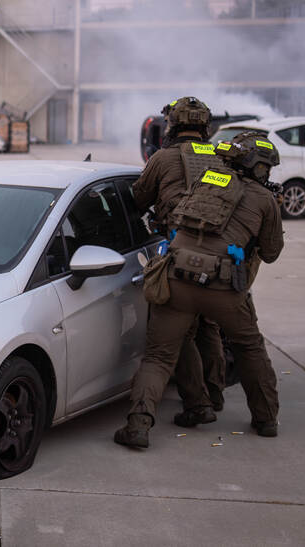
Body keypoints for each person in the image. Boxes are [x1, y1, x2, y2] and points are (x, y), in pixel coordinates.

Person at [116, 131, 284, 448]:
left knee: (158, 358)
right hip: (223, 286)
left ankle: (138, 426)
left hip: (177, 277)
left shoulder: (208, 179)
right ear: (261, 168)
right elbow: (271, 252)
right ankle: (265, 420)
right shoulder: (264, 200)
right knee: (250, 348)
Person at [130, 96, 226, 425]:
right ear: (204, 126)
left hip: (181, 258)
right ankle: (215, 393)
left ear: (173, 125)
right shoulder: (220, 158)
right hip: (220, 260)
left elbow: (138, 199)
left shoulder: (163, 157)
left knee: (178, 335)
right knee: (209, 327)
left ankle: (198, 403)